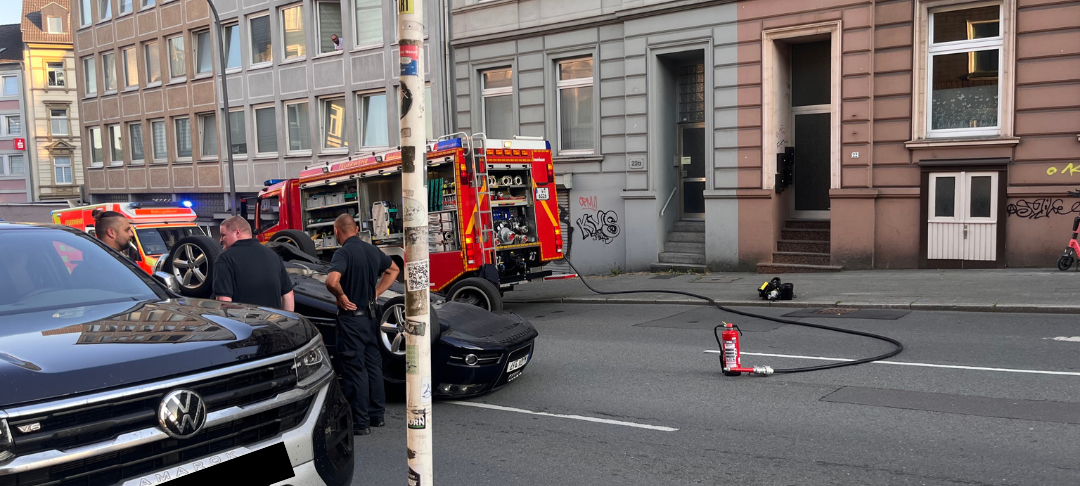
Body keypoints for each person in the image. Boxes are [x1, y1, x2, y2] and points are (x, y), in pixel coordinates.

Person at [325, 213, 399, 435]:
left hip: (351, 320)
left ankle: (360, 423)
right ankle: (377, 416)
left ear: (337, 232)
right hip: (370, 318)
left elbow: (331, 281)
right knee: (373, 366)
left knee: (354, 369)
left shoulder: (343, 252)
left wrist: (340, 295)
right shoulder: (372, 250)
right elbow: (393, 269)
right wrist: (376, 292)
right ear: (356, 229)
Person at [212, 216, 295, 311]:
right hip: (272, 323)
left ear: (237, 233)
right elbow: (289, 295)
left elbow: (224, 302)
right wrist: (287, 323)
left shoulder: (225, 258)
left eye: (223, 235)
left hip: (243, 324)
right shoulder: (273, 255)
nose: (220, 240)